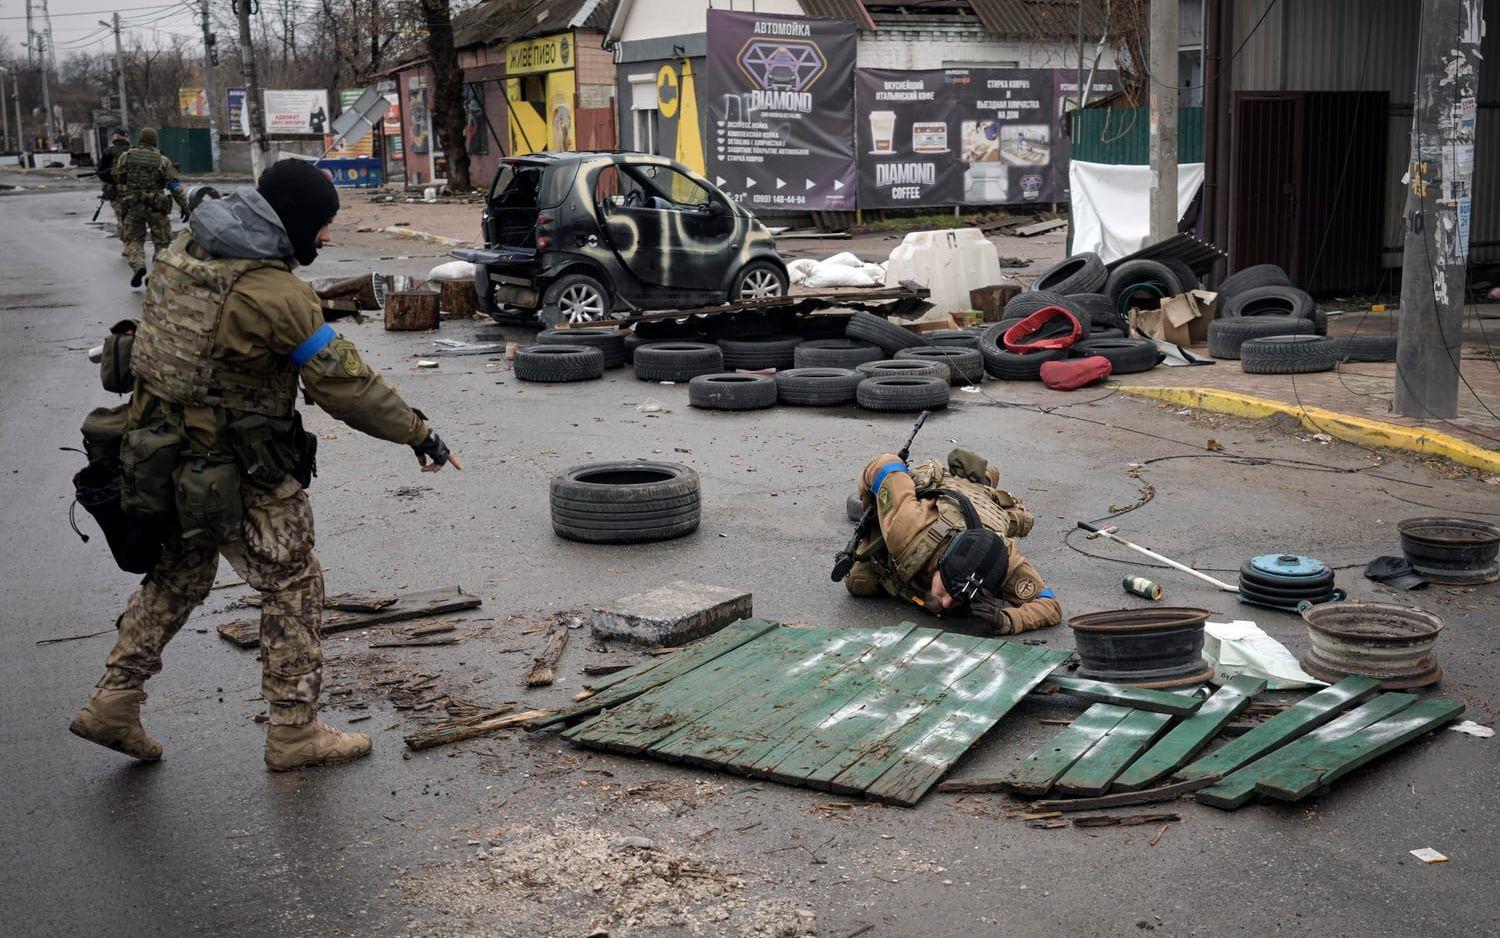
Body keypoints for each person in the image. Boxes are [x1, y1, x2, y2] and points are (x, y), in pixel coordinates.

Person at [69, 159, 463, 772]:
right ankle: (294, 732)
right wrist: (419, 432)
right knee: (295, 582)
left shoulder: (186, 248)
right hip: (234, 468)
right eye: (323, 225)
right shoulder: (275, 294)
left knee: (179, 575)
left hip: (156, 453)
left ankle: (113, 702)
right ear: (296, 222)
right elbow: (344, 386)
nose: (328, 237)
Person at [843, 447, 1061, 635]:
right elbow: (885, 464)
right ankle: (976, 479)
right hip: (942, 500)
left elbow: (1049, 606)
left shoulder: (1002, 560)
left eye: (958, 596)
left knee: (984, 492)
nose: (947, 603)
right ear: (940, 563)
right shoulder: (908, 528)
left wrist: (1006, 620)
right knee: (858, 582)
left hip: (986, 509)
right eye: (947, 588)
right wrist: (872, 513)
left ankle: (982, 482)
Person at [119, 126, 191, 287]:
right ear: (154, 141)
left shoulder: (126, 157)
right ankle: (154, 274)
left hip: (133, 205)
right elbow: (175, 187)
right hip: (157, 207)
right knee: (162, 243)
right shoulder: (162, 160)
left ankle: (138, 265)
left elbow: (120, 179)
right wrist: (185, 207)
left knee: (134, 239)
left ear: (140, 139)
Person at [97, 127, 132, 249]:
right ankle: (134, 243)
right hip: (133, 190)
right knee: (132, 216)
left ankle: (126, 245)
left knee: (120, 217)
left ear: (115, 137)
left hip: (114, 190)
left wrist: (111, 182)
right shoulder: (133, 151)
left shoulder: (108, 151)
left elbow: (100, 171)